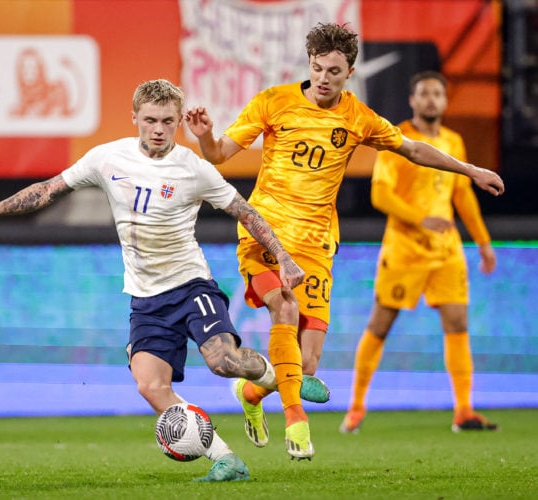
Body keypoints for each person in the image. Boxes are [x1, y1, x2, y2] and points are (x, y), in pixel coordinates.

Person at [184, 22, 504, 460]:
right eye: (317, 68)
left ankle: (252, 394)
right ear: (309, 64)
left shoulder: (357, 117)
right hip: (264, 233)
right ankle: (297, 421)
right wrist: (204, 135)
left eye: (333, 70)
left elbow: (412, 149)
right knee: (284, 305)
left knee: (307, 364)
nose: (323, 78)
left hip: (316, 245)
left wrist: (471, 171)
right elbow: (219, 154)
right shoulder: (273, 102)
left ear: (349, 71)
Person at [0, 79, 306, 482]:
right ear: (135, 119)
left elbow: (246, 213)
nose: (159, 129)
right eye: (150, 120)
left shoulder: (194, 169)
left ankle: (274, 377)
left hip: (190, 287)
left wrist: (283, 257)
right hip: (146, 300)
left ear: (179, 121)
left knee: (224, 362)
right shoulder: (107, 158)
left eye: (168, 120)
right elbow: (50, 189)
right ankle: (227, 460)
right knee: (150, 386)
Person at [339, 71, 498, 434]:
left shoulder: (454, 143)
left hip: (446, 252)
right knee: (380, 326)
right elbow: (381, 194)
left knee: (457, 324)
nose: (430, 100)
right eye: (423, 93)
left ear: (444, 101)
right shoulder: (397, 140)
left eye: (437, 94)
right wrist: (421, 219)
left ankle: (463, 411)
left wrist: (484, 242)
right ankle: (357, 407)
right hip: (405, 250)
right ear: (412, 100)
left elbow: (462, 196)